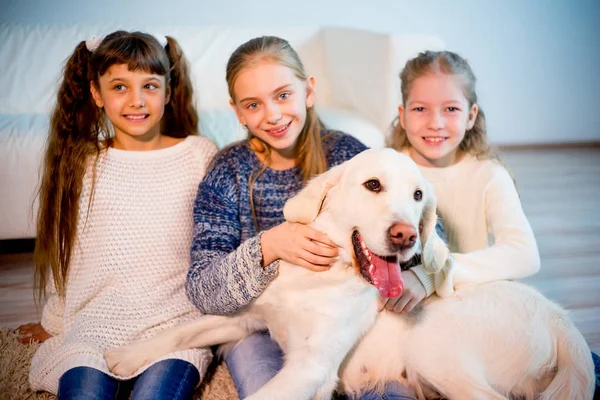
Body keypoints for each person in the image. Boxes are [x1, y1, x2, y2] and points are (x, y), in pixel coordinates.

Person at [185, 36, 416, 399]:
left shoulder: (350, 156)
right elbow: (204, 291)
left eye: (282, 95)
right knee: (269, 386)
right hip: (258, 324)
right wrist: (269, 245)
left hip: (344, 319)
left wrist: (420, 276)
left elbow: (422, 225)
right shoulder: (228, 172)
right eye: (253, 104)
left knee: (389, 393)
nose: (273, 114)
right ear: (238, 112)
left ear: (308, 91)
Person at [16, 30, 218, 399]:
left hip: (173, 326)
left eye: (150, 86)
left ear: (168, 91)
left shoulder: (198, 155)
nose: (137, 101)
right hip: (96, 325)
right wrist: (55, 320)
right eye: (120, 87)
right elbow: (71, 253)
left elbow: (216, 241)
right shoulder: (84, 161)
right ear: (97, 93)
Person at [386, 49, 599, 395]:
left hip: (477, 303)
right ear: (402, 114)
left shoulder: (488, 175)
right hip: (420, 313)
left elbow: (524, 254)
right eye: (420, 108)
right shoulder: (391, 171)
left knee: (581, 362)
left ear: (471, 116)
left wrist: (433, 275)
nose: (435, 122)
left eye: (450, 109)